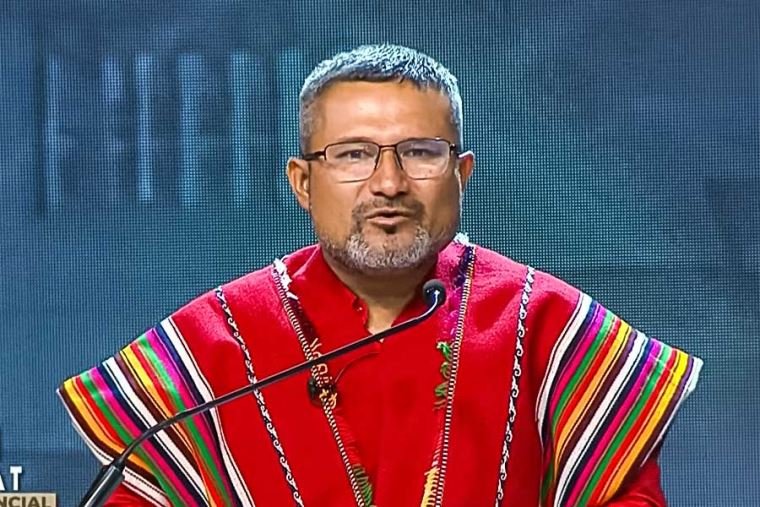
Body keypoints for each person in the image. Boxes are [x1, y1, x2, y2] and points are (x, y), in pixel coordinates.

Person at [59, 44, 702, 507]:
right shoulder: (212, 347)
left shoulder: (551, 328)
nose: (389, 183)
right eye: (353, 155)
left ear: (462, 175)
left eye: (420, 153)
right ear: (303, 183)